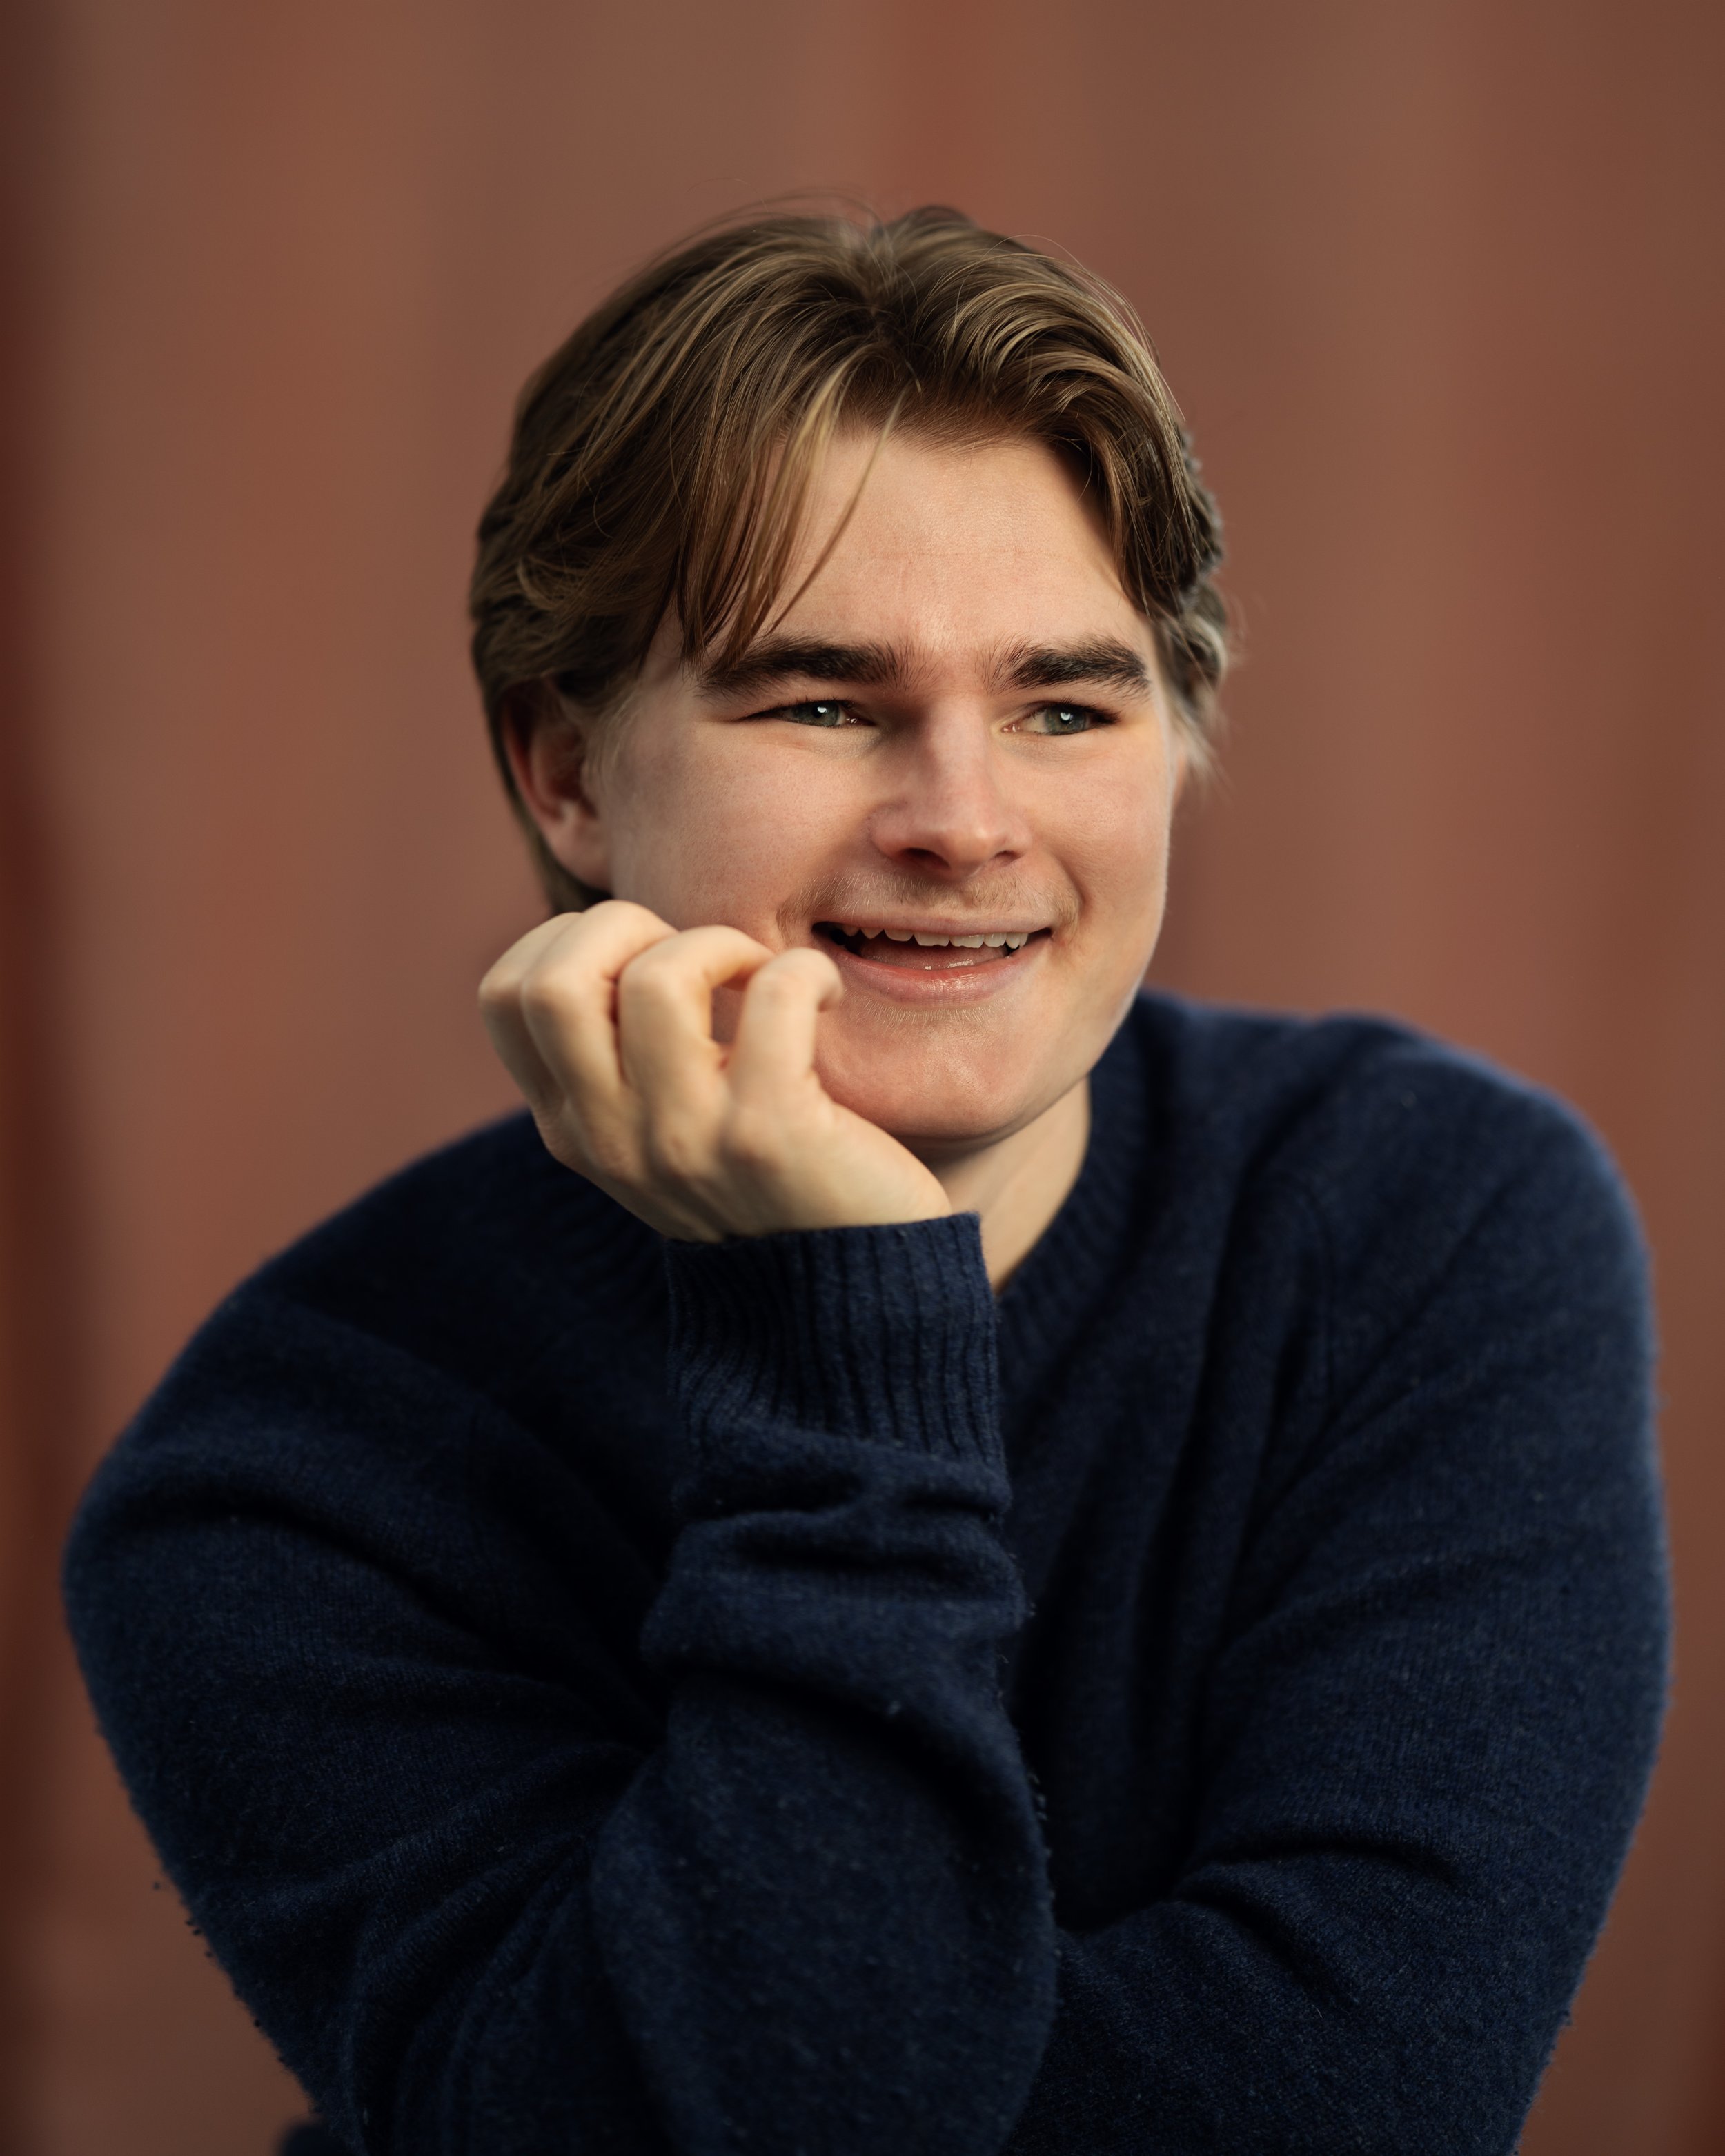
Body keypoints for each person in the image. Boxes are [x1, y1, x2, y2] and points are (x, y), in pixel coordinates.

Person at [63, 208, 1668, 2156]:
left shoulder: (1425, 1218)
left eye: (1063, 705)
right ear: (563, 771)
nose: (962, 822)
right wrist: (845, 1334)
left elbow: (1359, 2103)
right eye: (823, 702)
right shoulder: (289, 1482)